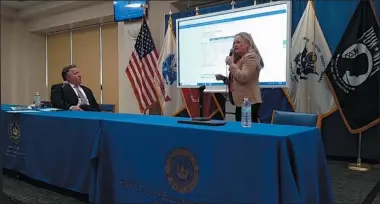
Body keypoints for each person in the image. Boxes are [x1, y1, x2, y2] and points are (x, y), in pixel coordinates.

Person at [215, 32, 263, 122]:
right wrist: (224, 78)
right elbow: (237, 80)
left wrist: (231, 64)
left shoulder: (250, 57)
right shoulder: (241, 59)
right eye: (234, 43)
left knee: (246, 130)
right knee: (241, 129)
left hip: (248, 101)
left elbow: (243, 78)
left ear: (247, 44)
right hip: (242, 102)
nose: (235, 45)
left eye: (238, 42)